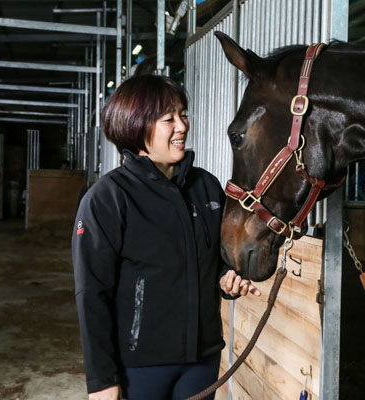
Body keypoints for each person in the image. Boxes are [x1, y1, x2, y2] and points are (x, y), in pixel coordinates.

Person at [72, 74, 260, 400]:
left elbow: (213, 261)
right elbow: (92, 294)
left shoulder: (206, 187)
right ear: (136, 125)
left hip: (201, 360)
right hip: (140, 366)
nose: (182, 126)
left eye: (183, 115)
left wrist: (228, 279)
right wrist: (102, 380)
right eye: (168, 119)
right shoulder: (108, 198)